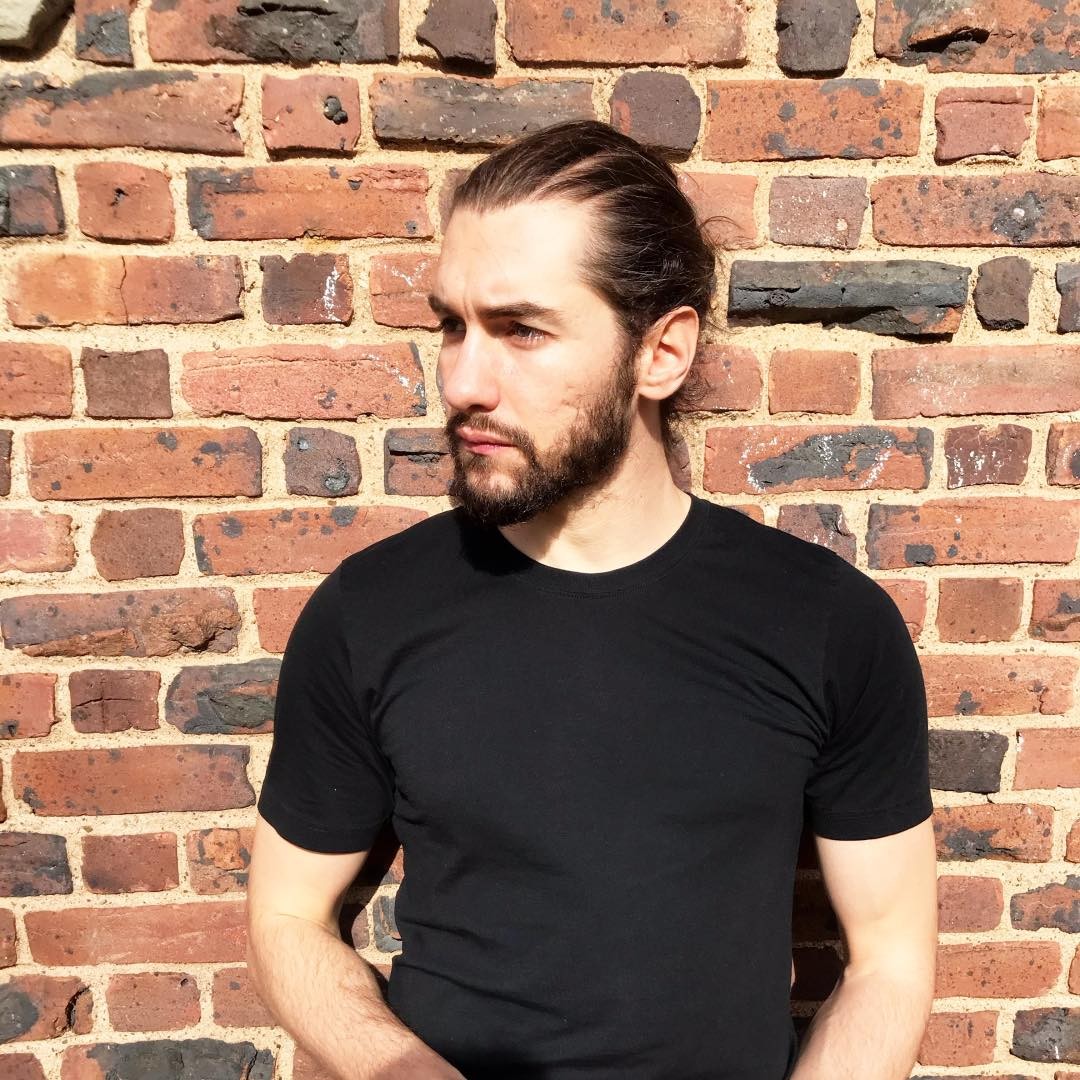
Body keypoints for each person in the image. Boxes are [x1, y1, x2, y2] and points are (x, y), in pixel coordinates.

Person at [245, 120, 938, 1080]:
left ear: (662, 353)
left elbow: (890, 963)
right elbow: (286, 918)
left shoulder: (824, 624)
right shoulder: (370, 614)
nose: (463, 381)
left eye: (521, 330)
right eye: (452, 325)